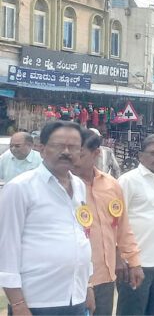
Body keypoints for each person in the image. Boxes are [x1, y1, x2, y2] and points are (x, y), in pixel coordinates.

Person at [0, 121, 93, 315]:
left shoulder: (79, 186)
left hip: (75, 296)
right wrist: (17, 304)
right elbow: (6, 247)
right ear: (41, 148)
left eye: (73, 147)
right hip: (36, 301)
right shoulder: (20, 187)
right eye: (59, 145)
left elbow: (81, 236)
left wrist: (88, 285)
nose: (66, 152)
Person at [75, 128, 143, 316]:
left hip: (105, 275)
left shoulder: (111, 184)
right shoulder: (65, 186)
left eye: (80, 154)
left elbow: (122, 228)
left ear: (96, 153)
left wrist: (134, 262)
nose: (72, 159)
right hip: (74, 278)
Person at [117, 133, 154, 315]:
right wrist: (120, 258)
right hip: (137, 263)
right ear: (140, 156)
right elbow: (116, 221)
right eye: (153, 153)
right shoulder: (128, 181)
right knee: (132, 312)